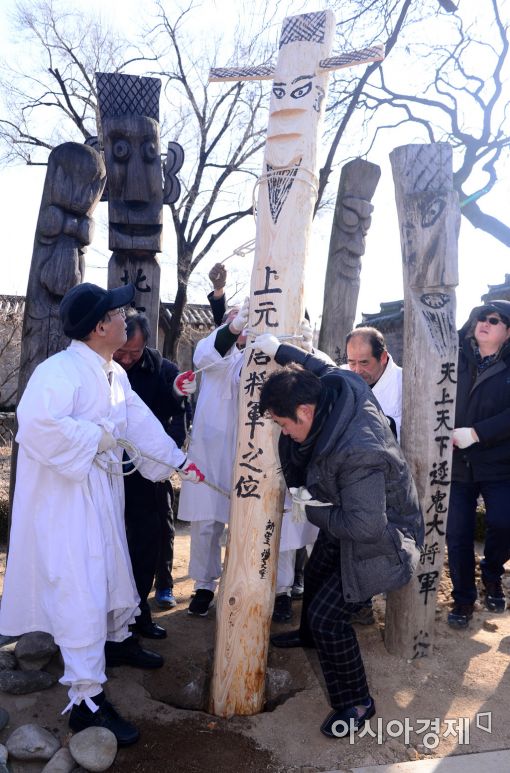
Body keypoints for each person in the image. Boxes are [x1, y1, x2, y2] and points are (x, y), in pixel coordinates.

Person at [0, 282, 203, 747]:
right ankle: (85, 701)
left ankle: (114, 646)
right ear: (99, 326)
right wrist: (94, 438)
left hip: (99, 495)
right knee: (80, 589)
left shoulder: (113, 373)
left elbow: (139, 423)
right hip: (66, 506)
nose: (125, 316)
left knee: (107, 576)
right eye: (117, 311)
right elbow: (36, 425)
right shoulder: (59, 371)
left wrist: (176, 462)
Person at [255, 333, 423, 738]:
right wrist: (278, 349)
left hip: (385, 540)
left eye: (283, 423)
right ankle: (312, 638)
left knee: (329, 616)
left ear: (305, 411)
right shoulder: (342, 384)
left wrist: (310, 508)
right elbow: (320, 366)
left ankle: (357, 703)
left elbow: (366, 528)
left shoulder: (358, 452)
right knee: (314, 578)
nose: (284, 432)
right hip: (351, 511)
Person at [113, 311, 195, 639]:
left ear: (146, 344)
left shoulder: (163, 370)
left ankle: (139, 610)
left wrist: (167, 453)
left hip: (148, 470)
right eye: (122, 352)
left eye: (135, 353)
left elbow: (180, 414)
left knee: (149, 541)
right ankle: (111, 615)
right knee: (110, 540)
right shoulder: (103, 368)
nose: (128, 359)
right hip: (109, 469)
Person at [446, 299, 510, 629]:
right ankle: (464, 597)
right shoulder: (454, 358)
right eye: (479, 318)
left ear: (508, 332)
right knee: (457, 533)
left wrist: (478, 433)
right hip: (457, 461)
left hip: (499, 461)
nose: (483, 323)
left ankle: (493, 573)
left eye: (494, 320)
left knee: (504, 522)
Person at [345, 326, 402, 440]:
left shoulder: (404, 382)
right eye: (352, 362)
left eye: (364, 362)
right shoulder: (343, 375)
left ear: (383, 357)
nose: (357, 370)